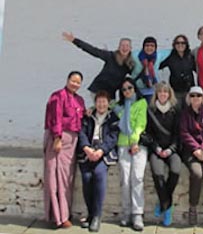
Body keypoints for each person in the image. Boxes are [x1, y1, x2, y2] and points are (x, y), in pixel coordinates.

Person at [44, 71, 86, 229]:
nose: (75, 84)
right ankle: (57, 217)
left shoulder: (79, 100)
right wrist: (57, 138)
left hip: (72, 143)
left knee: (67, 179)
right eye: (73, 80)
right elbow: (56, 117)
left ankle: (65, 213)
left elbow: (81, 117)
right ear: (67, 80)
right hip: (59, 140)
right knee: (54, 177)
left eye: (78, 82)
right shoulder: (58, 96)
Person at [77, 90, 119, 232]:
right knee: (86, 177)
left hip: (103, 152)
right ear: (95, 103)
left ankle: (97, 216)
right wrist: (86, 148)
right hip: (88, 152)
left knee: (99, 174)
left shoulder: (113, 118)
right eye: (99, 101)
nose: (101, 104)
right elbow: (81, 132)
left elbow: (113, 137)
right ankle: (90, 214)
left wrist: (101, 150)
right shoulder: (88, 116)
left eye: (104, 101)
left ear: (108, 103)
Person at [113, 75, 148, 231]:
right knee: (125, 180)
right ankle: (126, 213)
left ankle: (137, 214)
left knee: (137, 178)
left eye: (130, 88)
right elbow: (103, 104)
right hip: (122, 144)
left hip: (138, 145)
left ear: (135, 88)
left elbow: (141, 123)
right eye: (124, 89)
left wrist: (134, 140)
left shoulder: (141, 103)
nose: (127, 91)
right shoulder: (118, 106)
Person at [180, 86, 203, 226]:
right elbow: (184, 133)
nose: (196, 98)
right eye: (193, 96)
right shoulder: (184, 114)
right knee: (196, 173)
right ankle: (193, 206)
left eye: (199, 96)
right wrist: (196, 148)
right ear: (189, 98)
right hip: (191, 150)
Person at [147, 82, 181, 226]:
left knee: (175, 171)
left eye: (165, 92)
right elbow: (148, 133)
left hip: (171, 149)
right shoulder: (151, 110)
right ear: (156, 94)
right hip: (157, 149)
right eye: (160, 92)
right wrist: (156, 148)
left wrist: (171, 149)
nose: (163, 94)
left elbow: (177, 134)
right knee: (158, 175)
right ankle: (167, 208)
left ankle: (163, 203)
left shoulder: (175, 110)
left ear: (169, 94)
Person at [62, 32, 134, 99]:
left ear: (130, 48)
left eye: (127, 46)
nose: (125, 48)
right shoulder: (110, 56)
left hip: (111, 94)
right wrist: (75, 40)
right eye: (122, 45)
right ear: (118, 47)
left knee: (111, 111)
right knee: (101, 110)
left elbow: (136, 75)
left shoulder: (130, 64)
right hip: (97, 90)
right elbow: (93, 50)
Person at [159, 34, 195, 107]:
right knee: (177, 113)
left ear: (186, 44)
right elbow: (158, 66)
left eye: (183, 43)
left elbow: (199, 69)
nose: (180, 45)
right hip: (175, 91)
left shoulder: (191, 56)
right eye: (177, 43)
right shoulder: (170, 57)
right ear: (174, 45)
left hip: (189, 91)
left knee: (189, 112)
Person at [132, 36, 168, 103]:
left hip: (151, 90)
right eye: (147, 45)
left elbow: (170, 52)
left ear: (155, 48)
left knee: (150, 111)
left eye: (152, 46)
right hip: (136, 89)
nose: (149, 48)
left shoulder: (158, 56)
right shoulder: (135, 56)